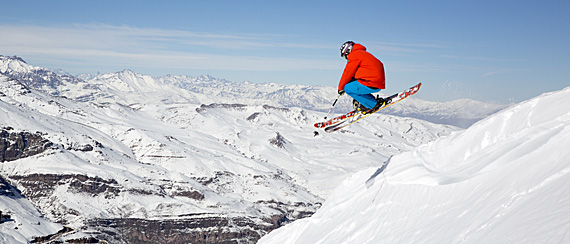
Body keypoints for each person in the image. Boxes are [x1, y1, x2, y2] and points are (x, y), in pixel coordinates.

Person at [338, 41, 386, 112]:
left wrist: (341, 88)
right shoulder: (362, 54)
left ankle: (372, 104)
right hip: (378, 82)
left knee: (347, 88)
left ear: (348, 50)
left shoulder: (354, 55)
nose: (346, 58)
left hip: (370, 82)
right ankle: (369, 102)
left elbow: (348, 72)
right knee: (353, 85)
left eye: (345, 55)